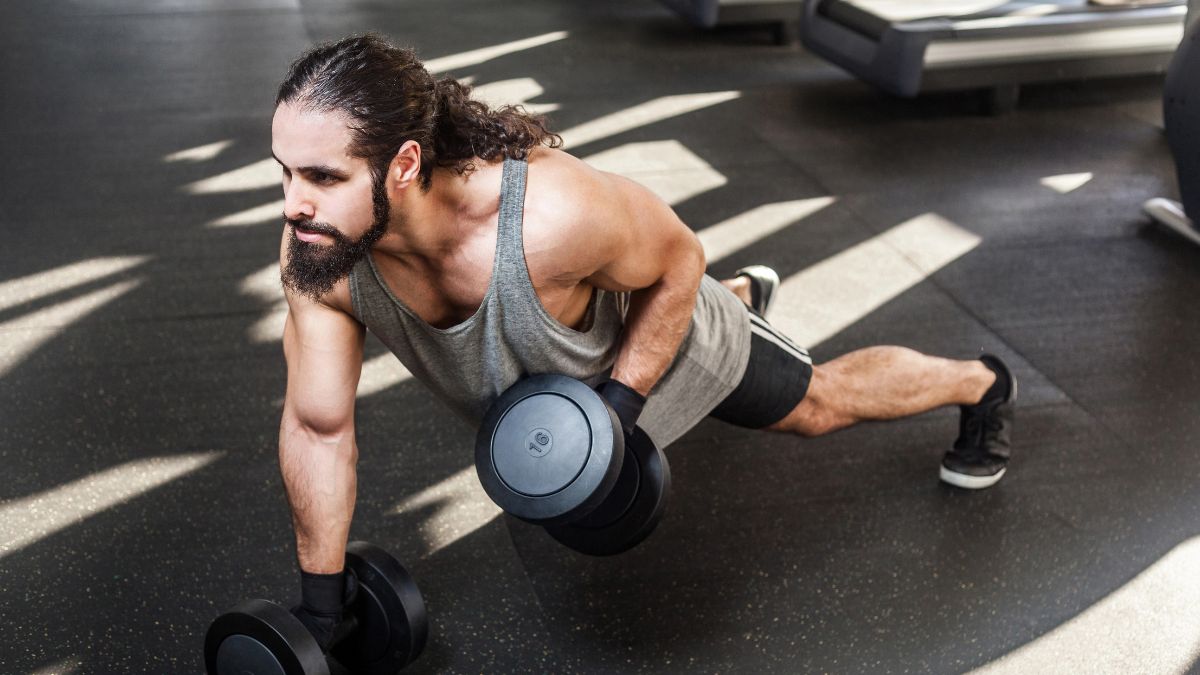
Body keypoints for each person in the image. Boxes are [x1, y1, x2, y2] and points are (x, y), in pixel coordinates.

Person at [270, 34, 1016, 649]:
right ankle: (746, 292)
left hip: (667, 347)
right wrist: (323, 605)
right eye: (283, 173)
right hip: (558, 385)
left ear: (403, 165)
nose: (293, 204)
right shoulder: (322, 254)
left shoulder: (551, 215)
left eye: (321, 176)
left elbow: (679, 258)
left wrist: (616, 417)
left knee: (816, 405)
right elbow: (317, 425)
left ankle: (980, 383)